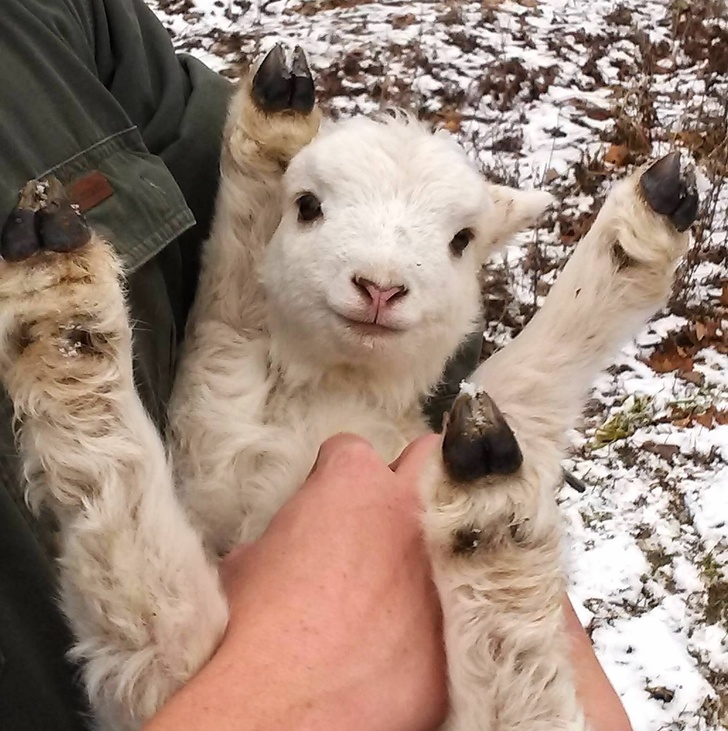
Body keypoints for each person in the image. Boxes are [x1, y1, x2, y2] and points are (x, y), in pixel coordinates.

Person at [0, 1, 632, 729]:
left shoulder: (54, 22)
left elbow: (246, 298)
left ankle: (79, 402)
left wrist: (262, 175)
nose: (382, 279)